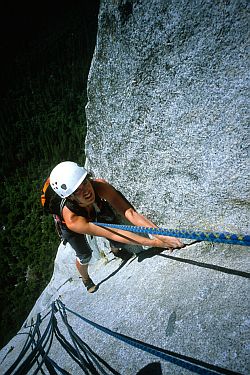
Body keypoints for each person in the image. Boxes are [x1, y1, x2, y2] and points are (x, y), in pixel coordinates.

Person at [49, 161, 184, 293]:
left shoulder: (99, 186)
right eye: (78, 191)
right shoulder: (72, 220)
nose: (86, 191)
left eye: (84, 182)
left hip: (92, 209)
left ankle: (115, 249)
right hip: (73, 227)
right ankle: (86, 279)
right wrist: (157, 243)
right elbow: (112, 233)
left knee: (111, 222)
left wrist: (162, 235)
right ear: (71, 197)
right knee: (85, 256)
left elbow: (129, 212)